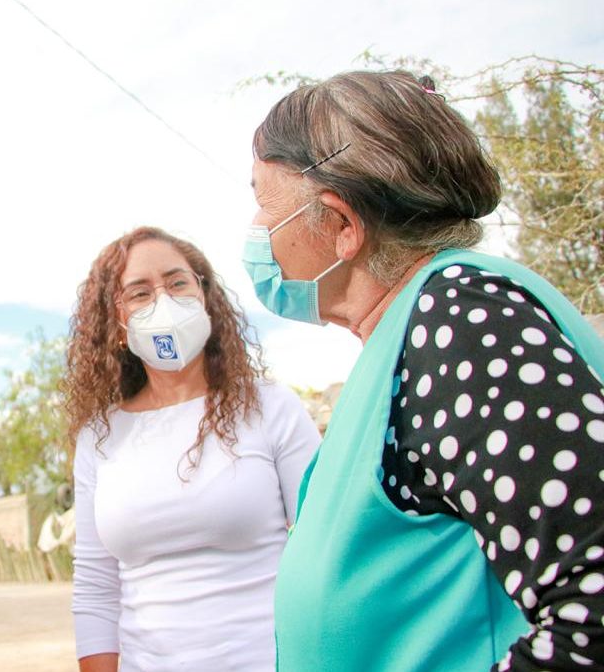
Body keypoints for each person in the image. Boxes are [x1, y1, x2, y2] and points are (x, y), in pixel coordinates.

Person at [241, 70, 604, 671]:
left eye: (262, 199)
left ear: (341, 226)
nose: (255, 228)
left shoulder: (461, 319)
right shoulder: (405, 339)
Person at [65, 227, 321, 671]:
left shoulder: (270, 406)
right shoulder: (99, 438)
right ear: (117, 324)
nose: (164, 300)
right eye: (140, 293)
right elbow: (96, 588)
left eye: (177, 282)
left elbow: (324, 544)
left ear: (205, 297)